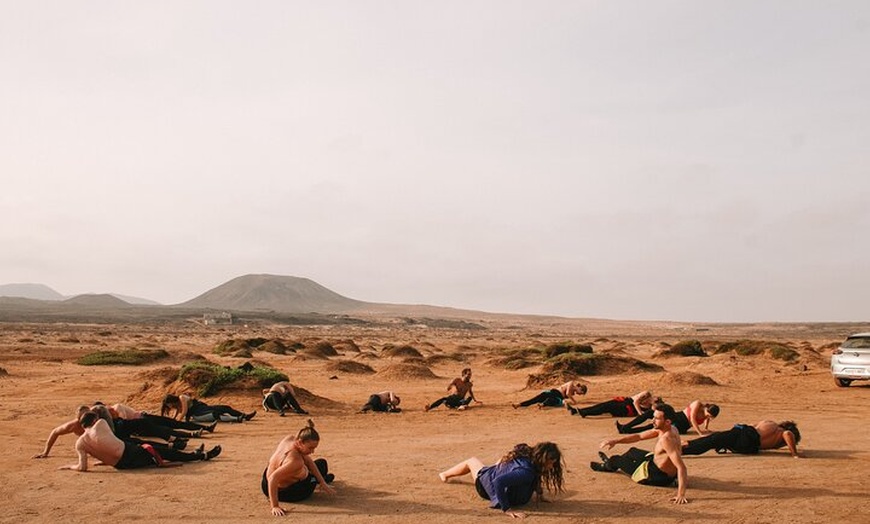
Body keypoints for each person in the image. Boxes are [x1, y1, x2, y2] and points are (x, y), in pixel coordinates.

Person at [58, 409, 221, 472]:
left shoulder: (80, 443)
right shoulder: (100, 423)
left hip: (122, 465)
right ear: (94, 420)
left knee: (156, 450)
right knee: (163, 451)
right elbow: (110, 435)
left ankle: (195, 454)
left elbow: (83, 467)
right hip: (130, 452)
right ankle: (201, 456)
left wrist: (69, 466)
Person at [591, 403, 689, 504]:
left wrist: (681, 494)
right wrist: (615, 441)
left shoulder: (666, 439)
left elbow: (681, 467)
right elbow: (639, 436)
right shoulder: (671, 428)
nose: (652, 421)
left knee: (616, 459)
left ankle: (607, 465)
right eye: (653, 417)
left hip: (656, 476)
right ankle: (616, 462)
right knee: (633, 451)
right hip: (655, 463)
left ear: (667, 421)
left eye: (657, 418)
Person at [438, 442, 564, 519]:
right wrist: (507, 509)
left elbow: (499, 481)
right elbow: (499, 482)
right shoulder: (527, 470)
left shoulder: (529, 462)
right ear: (542, 459)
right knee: (479, 463)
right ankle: (444, 474)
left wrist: (540, 495)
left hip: (490, 486)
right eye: (551, 463)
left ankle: (445, 474)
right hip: (491, 486)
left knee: (474, 461)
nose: (552, 466)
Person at [262, 419, 336, 516]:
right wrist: (274, 506)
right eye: (310, 448)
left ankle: (322, 480)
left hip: (265, 485)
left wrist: (323, 482)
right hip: (285, 493)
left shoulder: (289, 439)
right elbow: (273, 478)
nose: (313, 451)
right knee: (319, 469)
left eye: (314, 448)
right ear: (300, 442)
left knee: (321, 463)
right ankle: (319, 480)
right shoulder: (295, 461)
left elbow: (309, 461)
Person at [681, 420, 801, 458]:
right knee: (714, 439)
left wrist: (794, 454)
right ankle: (685, 447)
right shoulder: (776, 431)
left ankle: (685, 447)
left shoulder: (780, 430)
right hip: (746, 440)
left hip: (746, 436)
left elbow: (788, 434)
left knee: (714, 439)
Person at [617, 400, 719, 435]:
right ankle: (626, 427)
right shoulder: (697, 404)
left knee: (654, 426)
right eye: (707, 414)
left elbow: (706, 419)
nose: (707, 417)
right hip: (678, 417)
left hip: (682, 427)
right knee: (651, 414)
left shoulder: (707, 415)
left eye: (710, 417)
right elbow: (692, 418)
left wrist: (706, 428)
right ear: (706, 407)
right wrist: (700, 433)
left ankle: (626, 430)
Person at [161, 393, 255, 423]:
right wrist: (174, 419)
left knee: (224, 407)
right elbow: (178, 411)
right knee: (216, 414)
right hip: (197, 414)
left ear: (171, 400)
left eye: (168, 404)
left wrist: (178, 420)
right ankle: (238, 419)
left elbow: (184, 410)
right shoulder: (176, 405)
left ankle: (244, 416)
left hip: (200, 409)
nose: (169, 407)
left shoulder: (181, 398)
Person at [567, 390, 654, 418]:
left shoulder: (651, 407)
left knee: (604, 408)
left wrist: (641, 413)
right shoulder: (647, 394)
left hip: (627, 408)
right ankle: (577, 411)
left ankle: (584, 412)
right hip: (625, 402)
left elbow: (636, 404)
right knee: (602, 406)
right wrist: (640, 413)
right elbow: (636, 402)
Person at [512, 381, 587, 410]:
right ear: (580, 387)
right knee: (534, 399)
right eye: (580, 392)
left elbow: (568, 395)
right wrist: (574, 401)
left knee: (553, 400)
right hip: (555, 392)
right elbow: (567, 393)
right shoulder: (571, 384)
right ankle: (519, 404)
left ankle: (542, 404)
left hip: (557, 396)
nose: (579, 394)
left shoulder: (573, 393)